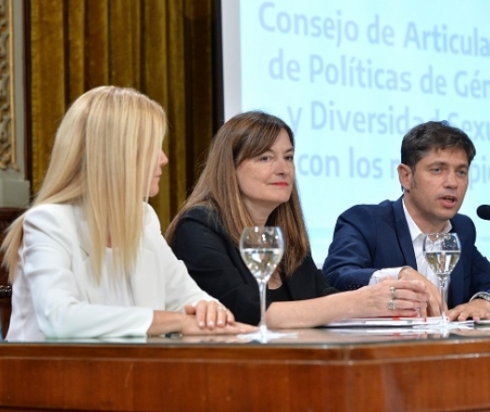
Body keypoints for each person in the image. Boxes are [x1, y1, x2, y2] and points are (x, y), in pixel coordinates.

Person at [1, 86, 254, 340]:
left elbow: (187, 296)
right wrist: (175, 321)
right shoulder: (49, 222)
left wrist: (208, 311)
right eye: (154, 147)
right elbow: (59, 318)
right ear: (118, 154)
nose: (164, 159)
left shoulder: (143, 218)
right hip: (48, 376)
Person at [165, 111, 428, 328]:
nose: (283, 168)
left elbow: (321, 296)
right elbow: (240, 309)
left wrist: (387, 307)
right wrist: (358, 302)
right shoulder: (198, 226)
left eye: (288, 157)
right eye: (265, 157)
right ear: (229, 168)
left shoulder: (283, 234)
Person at [322, 121, 490, 321]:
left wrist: (483, 303)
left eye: (461, 172)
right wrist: (398, 275)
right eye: (437, 170)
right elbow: (337, 278)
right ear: (406, 176)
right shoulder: (365, 222)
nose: (452, 183)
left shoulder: (462, 230)